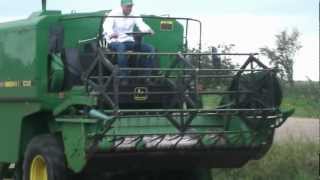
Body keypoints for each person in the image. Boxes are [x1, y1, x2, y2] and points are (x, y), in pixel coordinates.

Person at [103, 0, 155, 84]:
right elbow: (106, 25)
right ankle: (124, 76)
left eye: (131, 6)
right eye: (127, 6)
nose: (130, 8)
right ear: (122, 6)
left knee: (151, 49)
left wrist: (148, 30)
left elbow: (141, 23)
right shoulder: (114, 13)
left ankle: (146, 76)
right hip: (115, 41)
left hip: (129, 41)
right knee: (121, 47)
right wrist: (111, 33)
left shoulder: (134, 13)